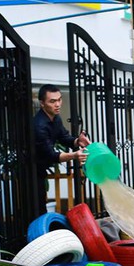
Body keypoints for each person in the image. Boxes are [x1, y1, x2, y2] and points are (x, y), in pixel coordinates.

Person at [33, 84, 91, 215]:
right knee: (37, 210)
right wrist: (75, 155)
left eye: (59, 99)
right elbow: (51, 155)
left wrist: (78, 141)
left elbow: (64, 137)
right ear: (42, 103)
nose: (58, 104)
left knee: (40, 207)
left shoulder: (55, 118)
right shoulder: (39, 125)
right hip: (31, 172)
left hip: (41, 170)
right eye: (52, 101)